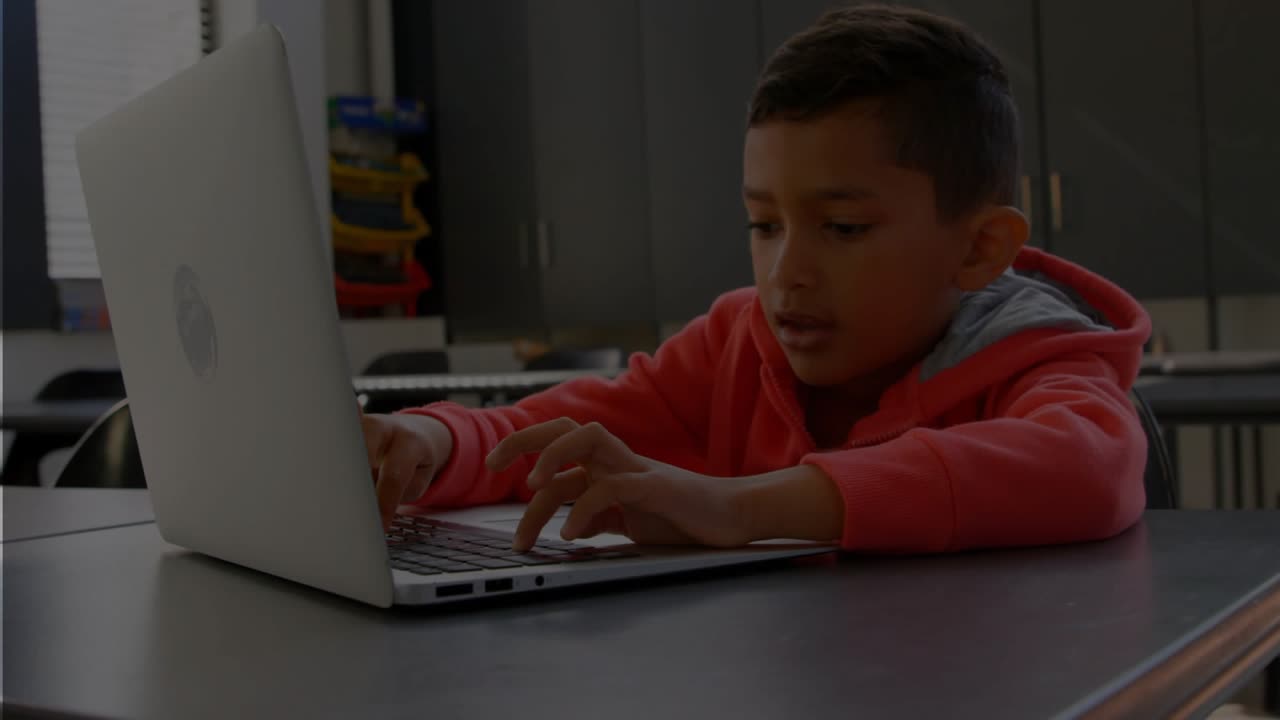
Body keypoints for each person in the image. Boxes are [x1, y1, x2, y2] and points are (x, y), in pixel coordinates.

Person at [361, 4, 1151, 554]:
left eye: (843, 228)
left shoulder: (1035, 357)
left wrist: (738, 507)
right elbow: (547, 435)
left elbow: (1091, 467)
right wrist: (433, 442)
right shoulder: (733, 345)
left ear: (980, 250)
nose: (787, 274)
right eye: (764, 225)